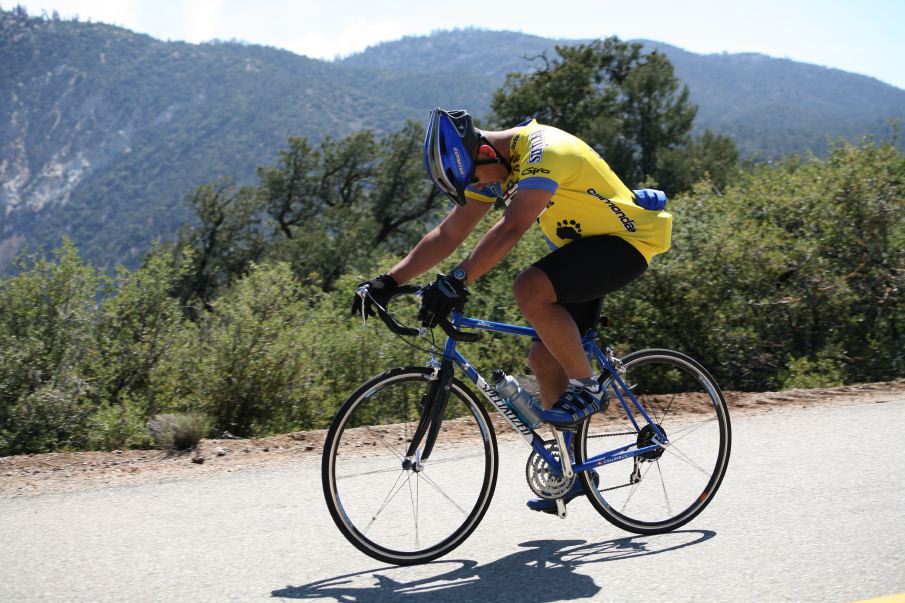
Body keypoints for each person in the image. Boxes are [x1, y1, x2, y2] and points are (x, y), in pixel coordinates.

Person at [353, 108, 672, 512]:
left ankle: (589, 388)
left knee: (529, 287)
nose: (477, 189)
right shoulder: (494, 165)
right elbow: (450, 231)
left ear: (485, 152)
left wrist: (456, 280)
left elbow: (512, 227)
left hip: (626, 243)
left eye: (473, 180)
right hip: (584, 250)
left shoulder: (543, 150)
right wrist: (389, 281)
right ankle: (573, 472)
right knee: (543, 357)